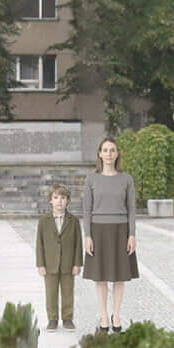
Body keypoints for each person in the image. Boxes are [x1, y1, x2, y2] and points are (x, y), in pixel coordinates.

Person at [79, 135, 138, 333]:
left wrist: (132, 235)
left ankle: (117, 315)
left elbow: (132, 209)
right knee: (101, 278)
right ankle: (104, 316)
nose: (109, 154)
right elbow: (86, 210)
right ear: (99, 154)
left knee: (120, 277)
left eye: (112, 150)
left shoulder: (126, 179)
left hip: (121, 231)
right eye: (105, 150)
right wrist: (88, 236)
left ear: (117, 153)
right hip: (98, 230)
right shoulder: (91, 179)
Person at [36, 184, 84, 331]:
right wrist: (40, 264)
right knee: (51, 293)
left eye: (63, 198)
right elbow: (40, 244)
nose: (59, 201)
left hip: (68, 264)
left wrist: (77, 264)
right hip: (49, 264)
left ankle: (67, 318)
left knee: (68, 292)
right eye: (56, 198)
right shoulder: (44, 221)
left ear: (68, 201)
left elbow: (78, 243)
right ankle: (52, 319)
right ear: (50, 201)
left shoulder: (74, 221)